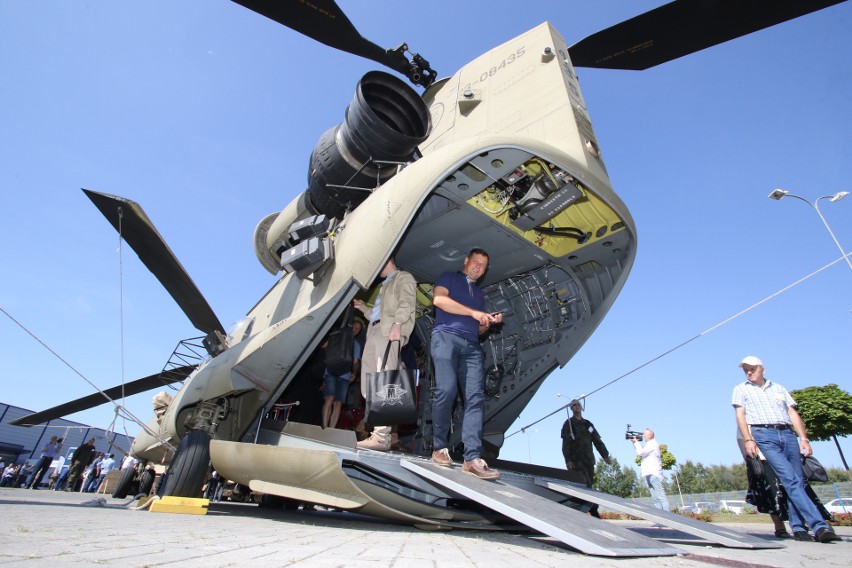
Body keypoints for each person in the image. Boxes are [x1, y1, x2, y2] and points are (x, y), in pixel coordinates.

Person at [732, 355, 839, 543]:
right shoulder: (741, 389)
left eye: (752, 369)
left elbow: (792, 413)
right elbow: (740, 415)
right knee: (789, 479)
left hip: (787, 434)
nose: (749, 372)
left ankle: (798, 528)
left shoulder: (779, 388)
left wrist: (803, 438)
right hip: (763, 434)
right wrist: (748, 439)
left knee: (797, 480)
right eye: (746, 370)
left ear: (762, 369)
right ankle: (819, 525)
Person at [430, 248, 502, 480]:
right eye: (476, 262)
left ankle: (471, 458)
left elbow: (478, 330)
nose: (478, 268)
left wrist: (486, 322)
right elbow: (439, 300)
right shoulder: (448, 277)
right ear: (466, 261)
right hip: (445, 338)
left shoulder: (479, 296)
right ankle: (439, 448)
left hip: (471, 346)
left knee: (476, 399)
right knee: (447, 389)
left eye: (483, 266)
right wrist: (473, 313)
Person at [354, 257, 417, 451]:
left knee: (385, 381)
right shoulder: (385, 284)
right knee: (368, 383)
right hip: (374, 331)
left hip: (388, 331)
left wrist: (398, 324)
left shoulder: (403, 277)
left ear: (387, 260)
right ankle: (380, 433)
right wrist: (363, 308)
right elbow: (380, 313)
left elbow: (406, 303)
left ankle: (381, 437)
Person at [561, 399, 612, 517]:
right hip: (576, 461)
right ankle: (593, 511)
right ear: (571, 408)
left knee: (588, 486)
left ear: (581, 407)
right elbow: (566, 444)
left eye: (578, 404)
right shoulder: (568, 424)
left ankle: (587, 510)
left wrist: (605, 455)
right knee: (582, 486)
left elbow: (597, 441)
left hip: (588, 460)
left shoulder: (588, 424)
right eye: (574, 405)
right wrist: (568, 460)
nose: (576, 406)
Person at [321, 337, 362, 429]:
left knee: (338, 403)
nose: (354, 329)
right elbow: (323, 346)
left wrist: (354, 373)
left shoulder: (356, 344)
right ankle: (324, 427)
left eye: (357, 328)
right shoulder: (336, 337)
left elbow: (356, 362)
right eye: (354, 326)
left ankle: (331, 429)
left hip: (345, 375)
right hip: (331, 372)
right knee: (330, 398)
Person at [631, 429, 670, 511]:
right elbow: (640, 452)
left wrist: (636, 442)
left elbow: (641, 452)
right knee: (656, 499)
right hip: (649, 474)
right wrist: (635, 443)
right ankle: (660, 519)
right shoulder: (649, 444)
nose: (643, 435)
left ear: (650, 435)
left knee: (661, 497)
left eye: (645, 434)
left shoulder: (652, 443)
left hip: (654, 474)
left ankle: (668, 519)